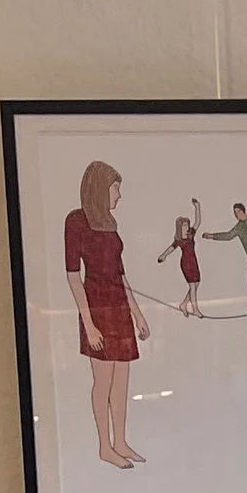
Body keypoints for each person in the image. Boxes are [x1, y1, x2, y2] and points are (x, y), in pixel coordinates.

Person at [63, 158, 146, 468]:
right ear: (100, 189)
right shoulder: (76, 221)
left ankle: (121, 441)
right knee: (104, 380)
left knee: (122, 379)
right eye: (115, 188)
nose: (119, 195)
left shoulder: (110, 223)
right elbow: (73, 276)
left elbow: (121, 274)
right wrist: (89, 323)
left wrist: (138, 314)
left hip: (119, 307)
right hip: (96, 307)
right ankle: (104, 445)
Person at [169, 199, 204, 313]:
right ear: (180, 227)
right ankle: (195, 309)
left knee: (197, 283)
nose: (186, 227)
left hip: (194, 261)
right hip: (186, 263)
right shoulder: (179, 240)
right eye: (184, 225)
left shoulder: (190, 235)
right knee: (193, 286)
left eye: (187, 225)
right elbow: (171, 248)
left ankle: (184, 304)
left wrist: (197, 207)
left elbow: (198, 222)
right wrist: (163, 256)